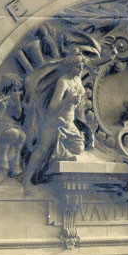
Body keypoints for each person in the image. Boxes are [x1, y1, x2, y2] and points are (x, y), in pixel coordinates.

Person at [22, 52, 89, 195]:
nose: (81, 69)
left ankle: (59, 154)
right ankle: (26, 180)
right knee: (42, 149)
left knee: (79, 147)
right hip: (55, 122)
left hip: (70, 124)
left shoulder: (77, 80)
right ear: (70, 67)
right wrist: (68, 99)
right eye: (78, 66)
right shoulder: (62, 82)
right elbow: (53, 106)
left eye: (82, 66)